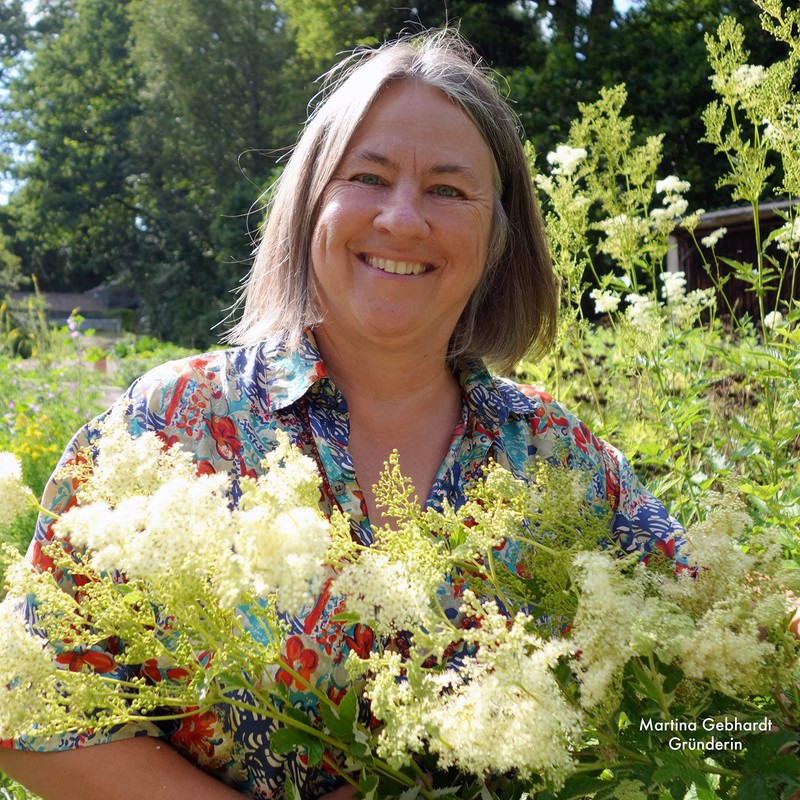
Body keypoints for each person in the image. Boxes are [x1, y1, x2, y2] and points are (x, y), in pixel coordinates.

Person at [0, 30, 690, 799]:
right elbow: (28, 712)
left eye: (448, 190)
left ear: (498, 236)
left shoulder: (556, 455)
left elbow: (707, 666)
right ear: (310, 205)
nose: (402, 219)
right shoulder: (171, 424)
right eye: (369, 176)